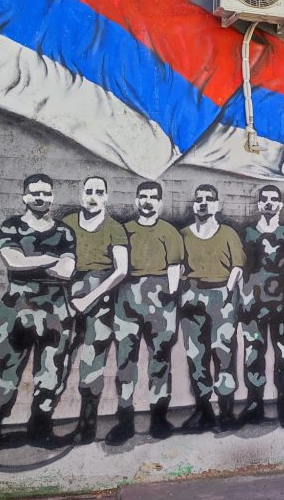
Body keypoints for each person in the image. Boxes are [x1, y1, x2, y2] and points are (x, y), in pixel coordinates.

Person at [0, 174, 76, 468]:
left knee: (52, 372)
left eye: (46, 193)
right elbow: (13, 261)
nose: (41, 198)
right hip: (16, 308)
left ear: (52, 197)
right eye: (35, 193)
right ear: (24, 196)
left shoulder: (64, 231)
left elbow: (67, 271)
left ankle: (41, 430)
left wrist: (34, 261)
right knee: (2, 370)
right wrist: (50, 260)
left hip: (54, 310)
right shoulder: (11, 226)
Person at [61, 176, 130, 445]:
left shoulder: (114, 228)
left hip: (99, 298)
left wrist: (90, 297)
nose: (93, 196)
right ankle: (39, 422)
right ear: (81, 194)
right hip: (67, 293)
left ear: (106, 196)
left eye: (99, 192)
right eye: (88, 191)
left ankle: (86, 425)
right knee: (57, 358)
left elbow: (121, 270)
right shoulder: (67, 224)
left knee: (92, 362)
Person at [116, 181, 185, 441]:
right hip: (128, 297)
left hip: (160, 298)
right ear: (136, 201)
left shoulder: (170, 232)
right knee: (126, 360)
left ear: (160, 202)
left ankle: (159, 419)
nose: (147, 201)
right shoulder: (125, 231)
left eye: (153, 197)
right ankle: (124, 420)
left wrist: (168, 301)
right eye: (143, 197)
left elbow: (175, 268)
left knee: (160, 361)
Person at [179, 184, 246, 432]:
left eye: (209, 199)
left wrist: (227, 291)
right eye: (199, 199)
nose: (204, 203)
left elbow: (238, 267)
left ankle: (226, 413)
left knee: (223, 353)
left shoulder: (228, 233)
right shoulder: (184, 234)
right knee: (196, 355)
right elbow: (178, 266)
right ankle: (203, 410)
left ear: (216, 205)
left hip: (222, 296)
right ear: (194, 205)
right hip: (192, 298)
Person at [237, 185, 284, 426]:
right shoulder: (247, 233)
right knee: (253, 354)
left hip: (282, 305)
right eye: (265, 200)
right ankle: (254, 405)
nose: (270, 203)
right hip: (254, 304)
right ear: (259, 204)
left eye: (274, 199)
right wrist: (242, 297)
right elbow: (239, 269)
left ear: (280, 205)